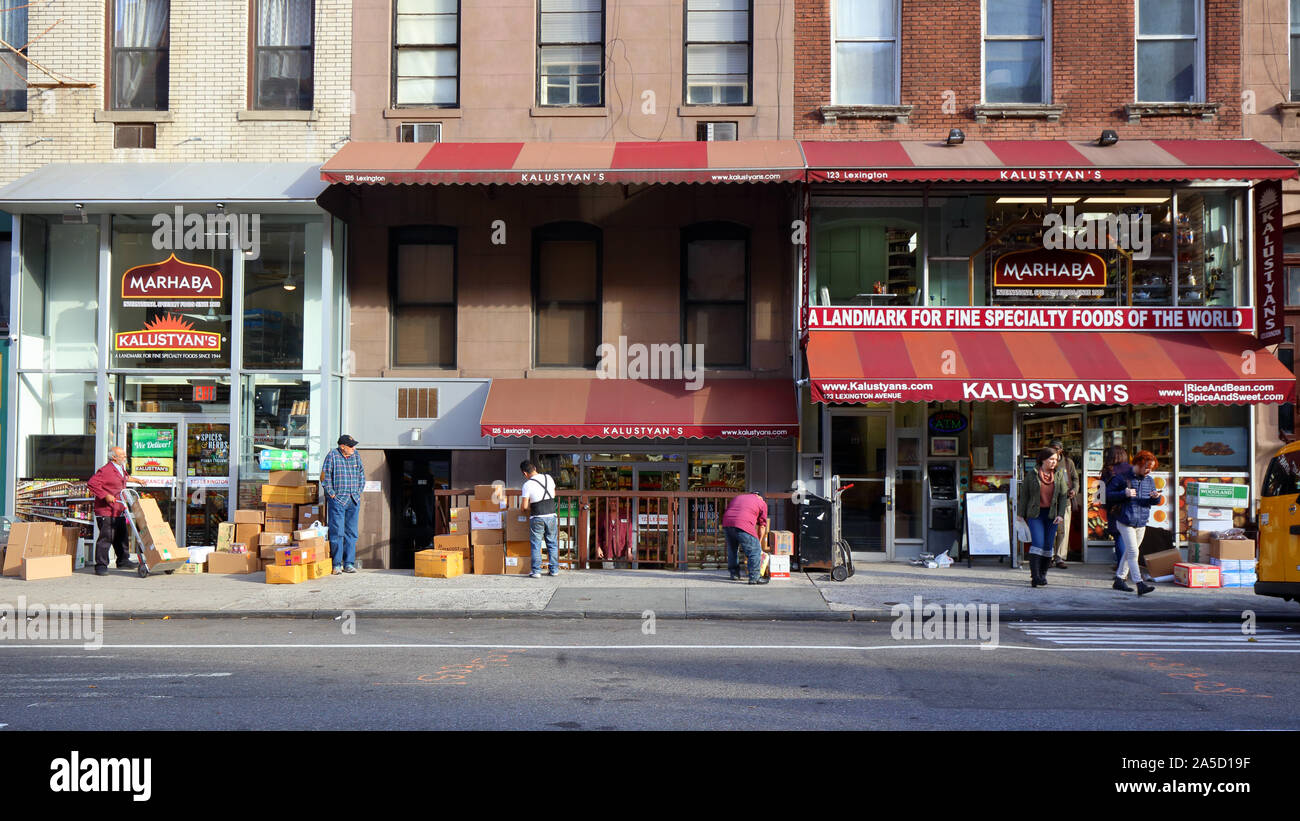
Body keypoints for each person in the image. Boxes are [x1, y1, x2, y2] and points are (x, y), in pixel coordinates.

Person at [1107, 450, 1160, 596]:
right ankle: (1139, 583)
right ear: (1138, 463)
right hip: (1125, 520)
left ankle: (1119, 579)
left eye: (1152, 468)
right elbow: (1107, 495)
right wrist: (1124, 493)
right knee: (1133, 552)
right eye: (1147, 467)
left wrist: (1156, 497)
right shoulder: (1122, 477)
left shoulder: (1149, 480)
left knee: (1129, 552)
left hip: (1141, 521)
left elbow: (1154, 501)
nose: (1149, 471)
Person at [87, 446, 143, 576]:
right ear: (114, 457)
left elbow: (125, 477)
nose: (124, 457)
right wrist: (105, 495)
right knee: (106, 538)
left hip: (118, 509)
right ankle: (101, 565)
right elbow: (92, 483)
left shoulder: (120, 468)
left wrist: (137, 480)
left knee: (121, 536)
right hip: (106, 510)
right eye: (122, 455)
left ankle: (123, 560)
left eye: (124, 454)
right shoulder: (105, 470)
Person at [1016, 447, 1069, 588]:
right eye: (1051, 459)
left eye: (1056, 460)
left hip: (1052, 515)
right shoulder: (1032, 474)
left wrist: (1061, 514)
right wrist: (1020, 514)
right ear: (1043, 459)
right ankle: (1035, 576)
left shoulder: (1058, 474)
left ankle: (1043, 575)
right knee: (1038, 544)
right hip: (1035, 514)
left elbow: (1064, 495)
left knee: (1047, 546)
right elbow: (1024, 495)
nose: (1053, 462)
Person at [320, 434, 364, 575]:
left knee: (351, 533)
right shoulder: (332, 455)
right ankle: (337, 565)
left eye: (354, 446)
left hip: (353, 499)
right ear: (342, 446)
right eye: (350, 446)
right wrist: (331, 493)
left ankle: (349, 563)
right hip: (338, 501)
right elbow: (324, 476)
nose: (353, 448)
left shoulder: (356, 456)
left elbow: (361, 474)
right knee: (337, 533)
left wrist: (358, 491)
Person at [520, 461, 559, 578]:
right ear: (535, 468)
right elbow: (553, 494)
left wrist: (524, 509)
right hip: (551, 515)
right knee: (552, 543)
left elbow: (524, 507)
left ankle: (536, 571)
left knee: (536, 545)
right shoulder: (549, 478)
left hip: (537, 517)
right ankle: (554, 570)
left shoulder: (527, 485)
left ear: (525, 473)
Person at [721, 492, 770, 585]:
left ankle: (734, 574)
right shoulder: (761, 502)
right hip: (742, 524)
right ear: (760, 497)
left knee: (732, 550)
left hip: (727, 523)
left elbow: (729, 510)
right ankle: (755, 578)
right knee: (755, 551)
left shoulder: (738, 497)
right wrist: (758, 541)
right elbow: (762, 526)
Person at [1049, 440, 1079, 569]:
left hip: (1065, 500)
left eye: (1056, 448)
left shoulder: (1068, 462)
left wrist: (1074, 490)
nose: (1054, 450)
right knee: (1051, 530)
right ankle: (1048, 556)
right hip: (1049, 501)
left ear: (1061, 450)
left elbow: (1075, 479)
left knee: (1063, 530)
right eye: (1052, 448)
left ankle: (1060, 557)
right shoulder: (1046, 461)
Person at [1099, 445, 1130, 569]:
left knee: (1119, 537)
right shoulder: (1130, 471)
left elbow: (1101, 494)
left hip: (1114, 509)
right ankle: (1126, 566)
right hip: (1129, 508)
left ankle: (1121, 567)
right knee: (1127, 538)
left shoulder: (1108, 472)